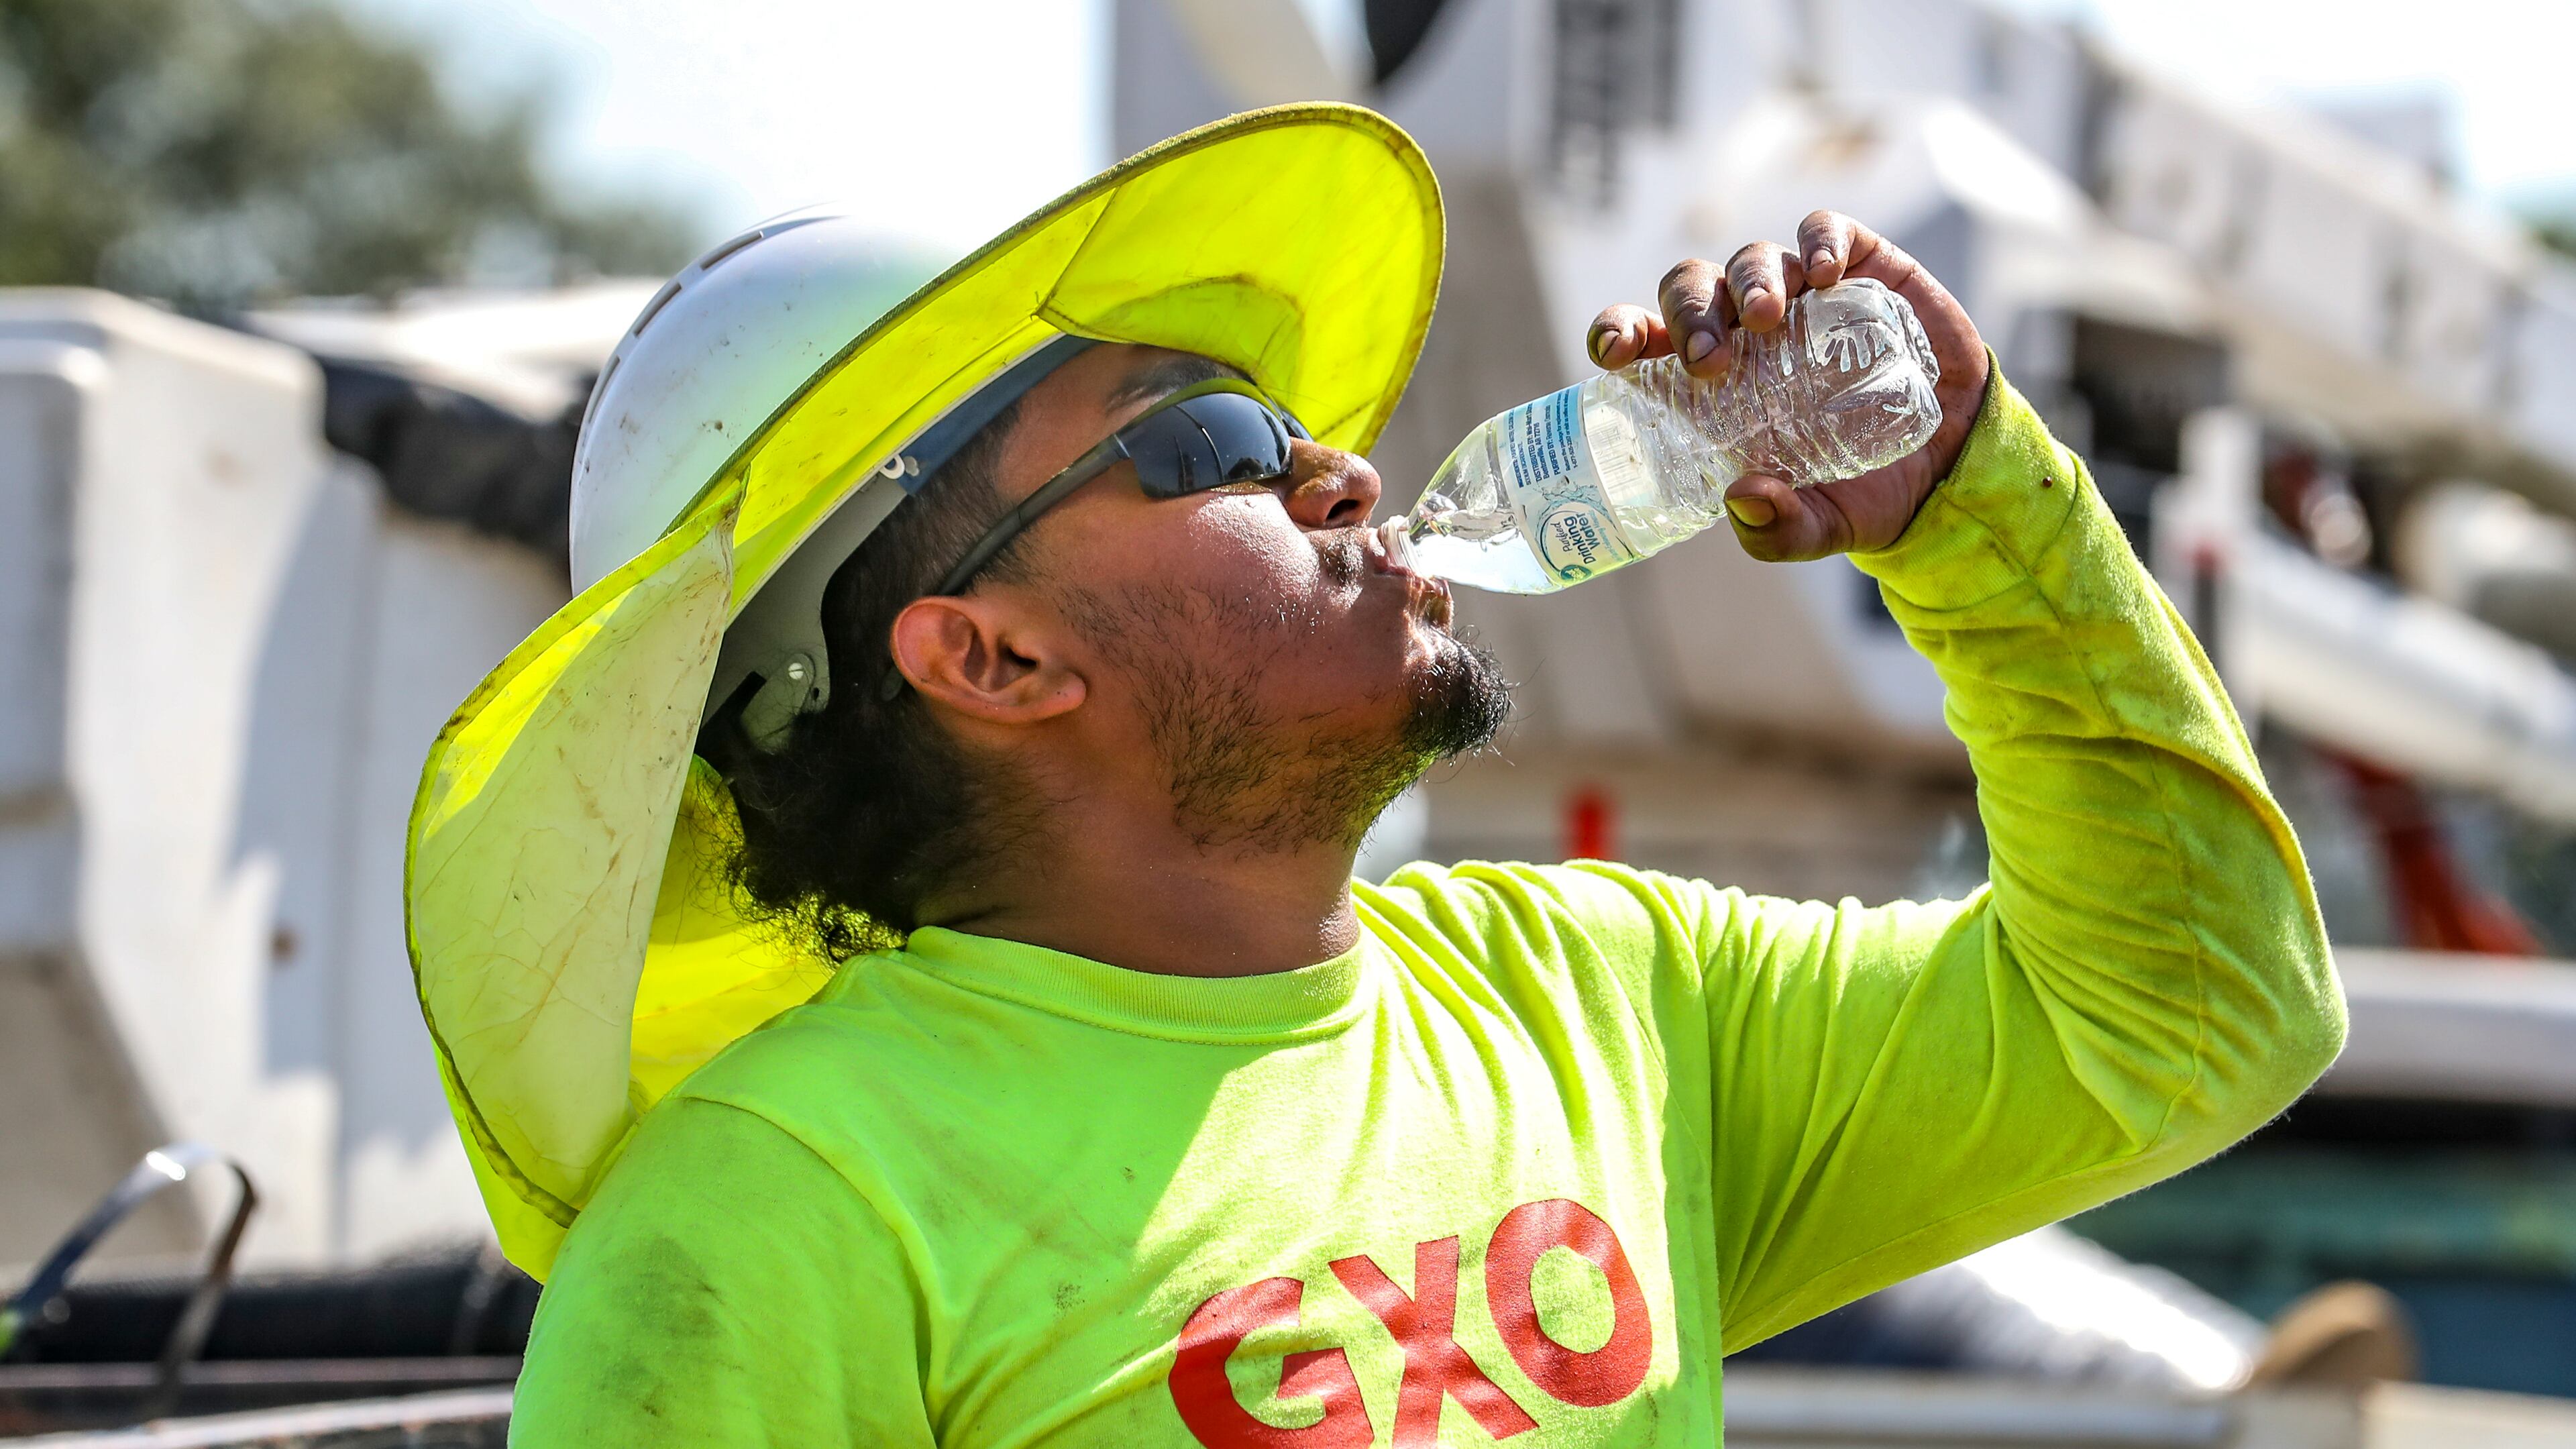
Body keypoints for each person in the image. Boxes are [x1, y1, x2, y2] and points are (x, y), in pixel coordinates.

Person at [422, 108, 2341, 1446]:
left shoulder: (1593, 996)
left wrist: (1971, 503)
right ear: (989, 657)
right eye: (1209, 441)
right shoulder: (774, 1214)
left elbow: (2196, 1016)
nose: (1338, 467)